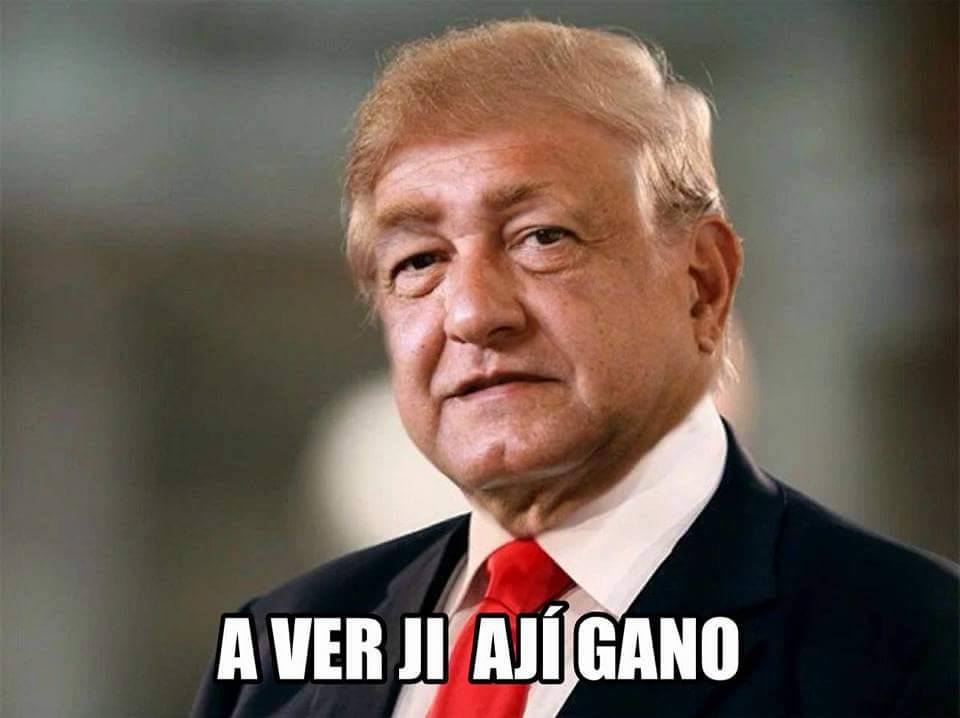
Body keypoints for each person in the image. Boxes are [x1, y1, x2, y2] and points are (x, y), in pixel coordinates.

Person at [191, 19, 958, 718]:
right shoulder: (276, 662)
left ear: (702, 282)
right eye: (419, 260)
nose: (472, 314)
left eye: (542, 237)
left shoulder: (914, 645)